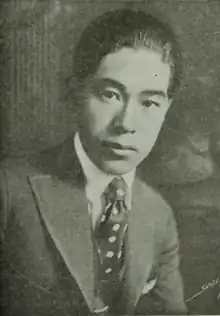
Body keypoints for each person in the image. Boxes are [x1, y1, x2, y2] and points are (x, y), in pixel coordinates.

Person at [0, 8, 187, 315]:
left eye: (150, 102)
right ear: (74, 94)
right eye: (110, 94)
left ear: (167, 109)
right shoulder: (9, 189)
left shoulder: (158, 214)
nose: (127, 122)